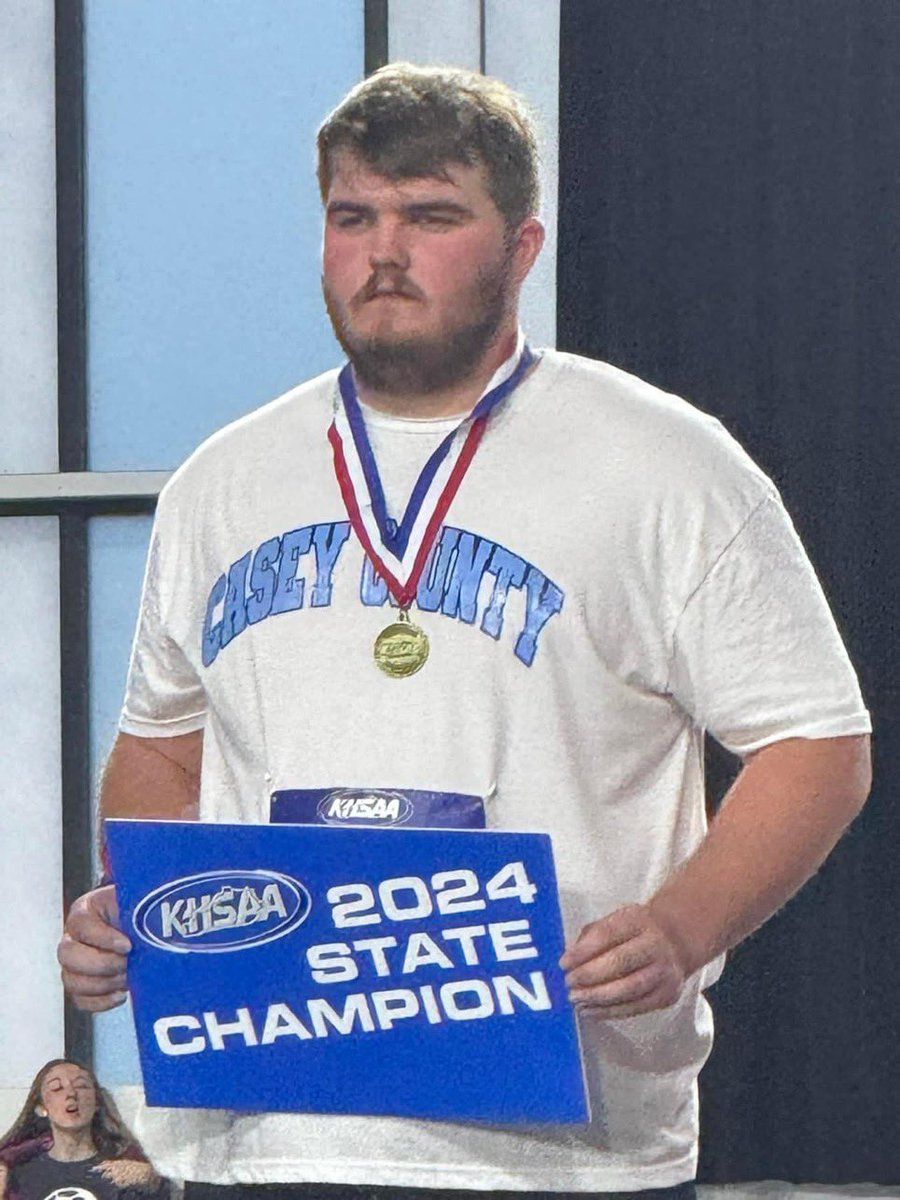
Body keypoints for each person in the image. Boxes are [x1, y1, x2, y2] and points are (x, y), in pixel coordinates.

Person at [57, 63, 871, 1199]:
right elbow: (160, 743)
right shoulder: (224, 480)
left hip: (564, 1150)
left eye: (431, 216)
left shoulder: (664, 466)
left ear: (522, 248)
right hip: (268, 1134)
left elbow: (816, 743)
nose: (383, 252)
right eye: (354, 217)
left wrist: (684, 926)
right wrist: (139, 913)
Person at [0, 1059, 171, 1200]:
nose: (71, 1094)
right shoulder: (18, 1175)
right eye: (57, 1088)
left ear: (96, 1103)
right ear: (41, 1107)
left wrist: (152, 1182)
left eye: (81, 1086)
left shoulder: (126, 1171)